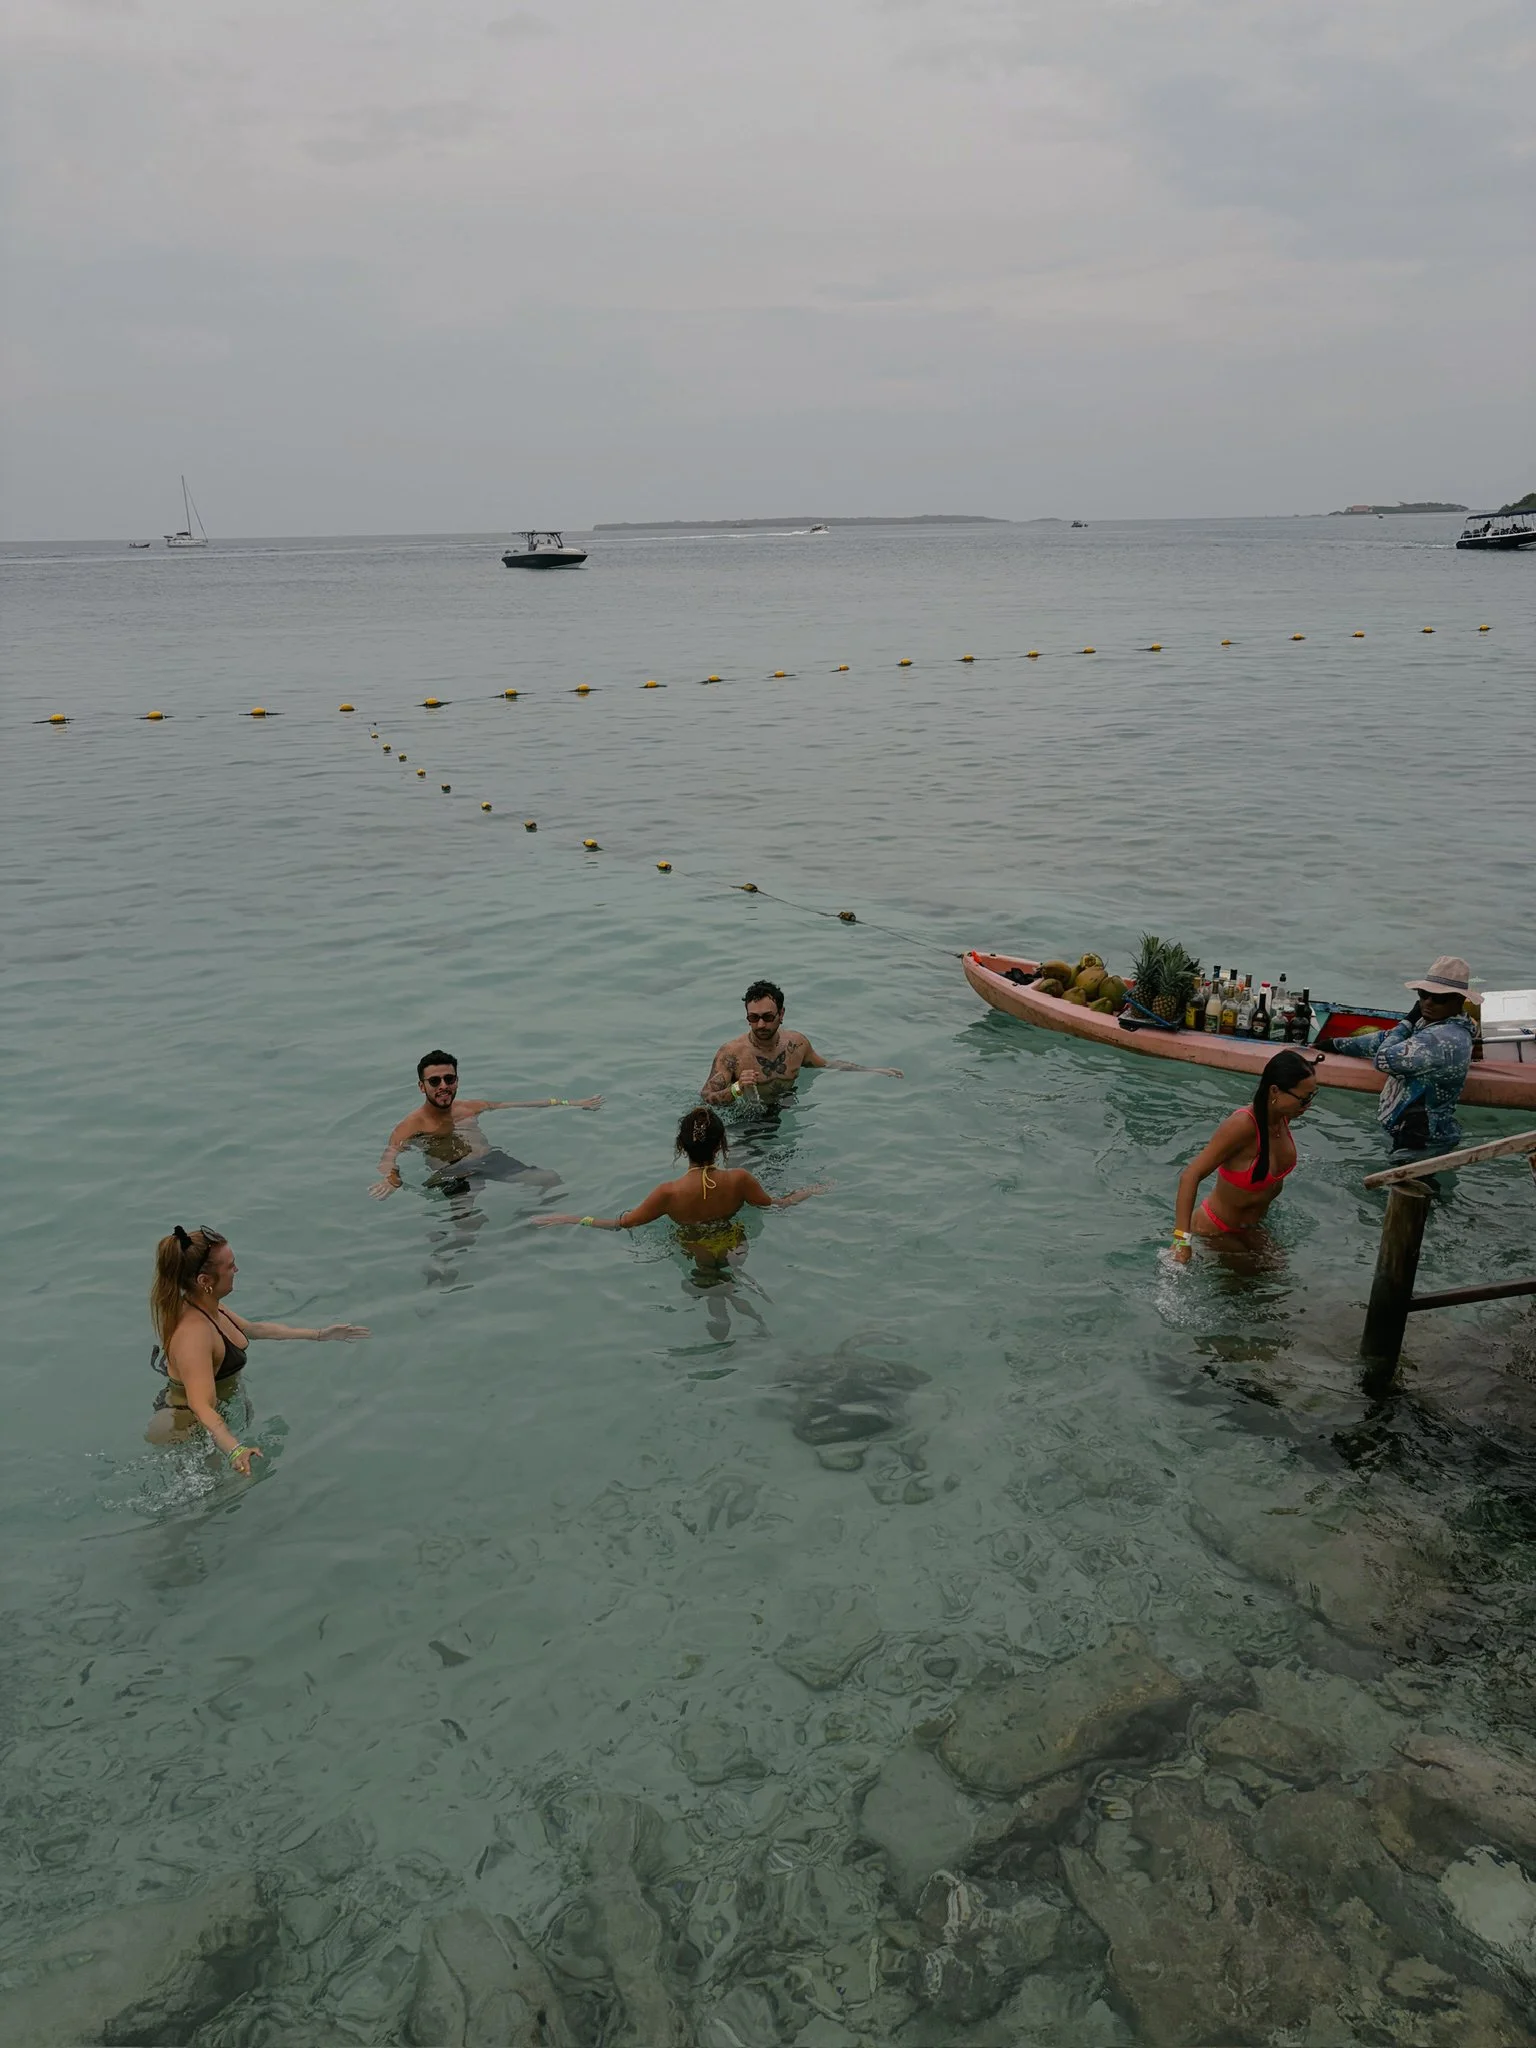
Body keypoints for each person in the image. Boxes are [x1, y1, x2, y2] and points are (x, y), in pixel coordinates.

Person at [146, 1225, 369, 1471]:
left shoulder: (210, 1306)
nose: (236, 1270)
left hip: (208, 1420)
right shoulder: (194, 1335)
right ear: (204, 1281)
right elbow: (201, 1406)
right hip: (186, 1429)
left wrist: (319, 1335)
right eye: (230, 1266)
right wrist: (235, 1449)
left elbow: (254, 1329)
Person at [535, 1106, 827, 1263]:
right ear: (721, 1145)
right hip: (736, 1243)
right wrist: (811, 1190)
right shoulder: (740, 1179)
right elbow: (778, 1205)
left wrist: (573, 1219)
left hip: (695, 1248)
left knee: (712, 1296)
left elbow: (621, 1224)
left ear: (681, 1146)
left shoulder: (668, 1193)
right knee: (735, 1282)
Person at [370, 1050, 601, 1198]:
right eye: (434, 1081)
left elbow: (520, 1104)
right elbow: (389, 1156)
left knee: (550, 1179)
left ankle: (532, 1224)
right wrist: (392, 1179)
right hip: (454, 1174)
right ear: (422, 1086)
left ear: (457, 1081)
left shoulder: (469, 1107)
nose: (443, 1086)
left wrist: (570, 1103)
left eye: (449, 1079)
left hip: (489, 1160)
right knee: (469, 1226)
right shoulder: (410, 1125)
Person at [1171, 1049, 1320, 1259]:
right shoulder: (1242, 1126)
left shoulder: (1282, 1117)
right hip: (1216, 1230)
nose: (1308, 1105)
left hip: (1251, 1228)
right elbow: (1190, 1175)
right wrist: (1181, 1241)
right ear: (1275, 1091)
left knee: (1280, 1267)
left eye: (1312, 1095)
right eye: (1303, 1099)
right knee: (1269, 1277)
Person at [1326, 955, 1477, 1159]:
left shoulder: (1442, 1039)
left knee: (1407, 1180)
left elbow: (1383, 1059)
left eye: (1439, 998)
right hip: (1410, 1129)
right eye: (1424, 995)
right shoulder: (1434, 1025)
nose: (1428, 1003)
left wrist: (1407, 1021)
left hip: (1422, 1139)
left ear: (1458, 1001)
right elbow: (1384, 1039)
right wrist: (1336, 1044)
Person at [700, 980, 902, 1104]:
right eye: (753, 1018)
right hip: (747, 1121)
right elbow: (707, 1096)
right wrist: (737, 1088)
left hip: (787, 1109)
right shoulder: (732, 1054)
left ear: (781, 1014)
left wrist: (873, 1070)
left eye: (768, 1017)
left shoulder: (797, 1045)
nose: (760, 1024)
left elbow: (828, 1065)